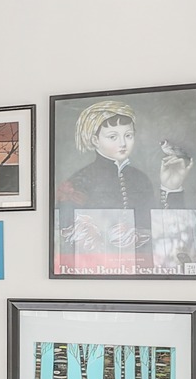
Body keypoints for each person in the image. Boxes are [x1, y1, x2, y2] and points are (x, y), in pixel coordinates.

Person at [55, 100, 160, 271]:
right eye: (113, 137)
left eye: (128, 135)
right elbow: (68, 233)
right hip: (94, 264)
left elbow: (150, 226)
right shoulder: (80, 180)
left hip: (138, 263)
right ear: (95, 140)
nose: (123, 143)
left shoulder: (141, 179)